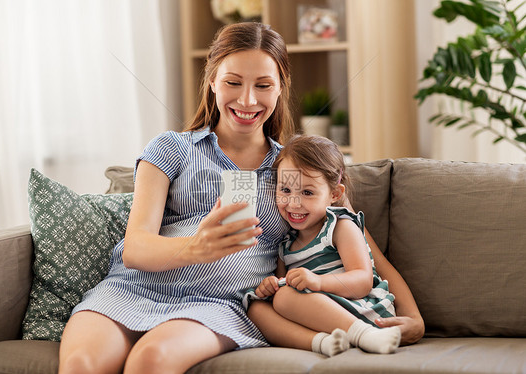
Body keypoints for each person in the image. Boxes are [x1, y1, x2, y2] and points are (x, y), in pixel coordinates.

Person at [59, 22, 423, 374]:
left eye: (263, 85)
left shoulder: (294, 167)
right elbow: (135, 248)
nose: (247, 100)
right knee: (81, 366)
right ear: (213, 81)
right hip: (131, 288)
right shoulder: (171, 149)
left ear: (281, 88)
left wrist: (415, 320)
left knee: (151, 360)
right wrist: (196, 248)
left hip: (219, 304)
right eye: (233, 82)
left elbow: (361, 244)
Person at [246, 135, 421, 356]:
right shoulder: (286, 244)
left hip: (363, 308)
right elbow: (283, 287)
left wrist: (318, 282)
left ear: (334, 194)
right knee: (256, 308)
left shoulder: (340, 226)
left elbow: (363, 281)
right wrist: (269, 286)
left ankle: (364, 334)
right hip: (324, 319)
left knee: (284, 297)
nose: (293, 203)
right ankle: (322, 343)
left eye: (307, 192)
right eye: (286, 190)